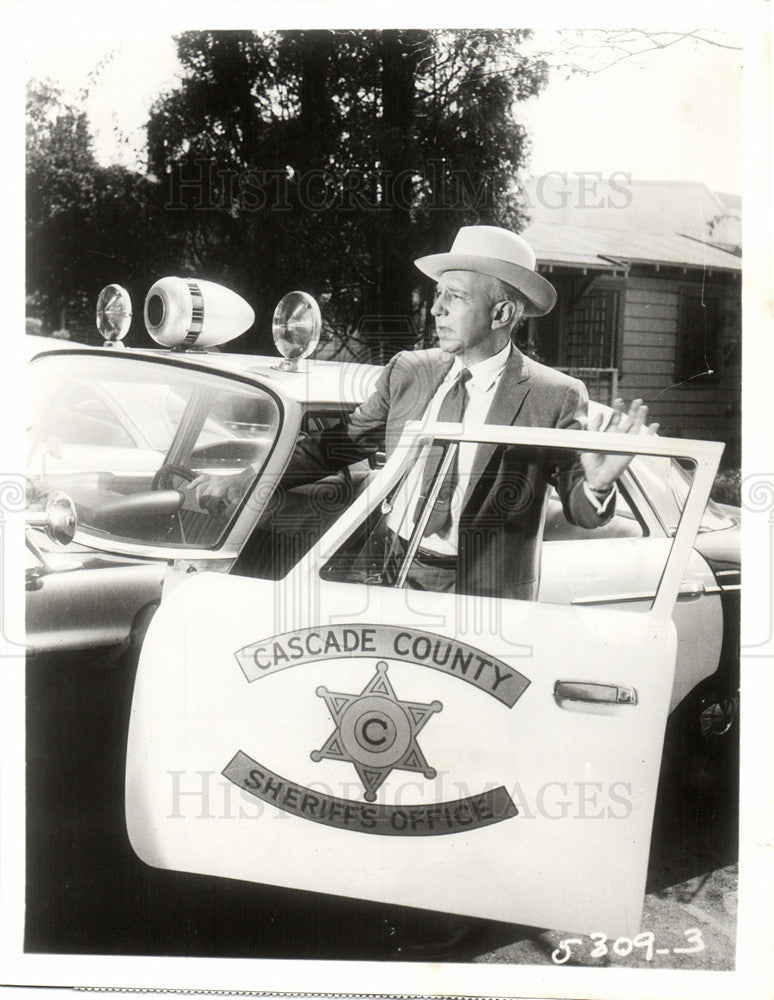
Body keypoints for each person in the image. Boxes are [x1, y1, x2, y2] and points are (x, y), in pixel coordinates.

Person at [192, 225, 657, 599]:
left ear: (500, 313)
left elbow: (581, 511)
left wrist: (597, 484)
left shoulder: (555, 395)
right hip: (382, 569)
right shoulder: (409, 371)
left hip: (481, 596)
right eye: (437, 294)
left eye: (453, 297)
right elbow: (331, 448)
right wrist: (242, 481)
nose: (435, 309)